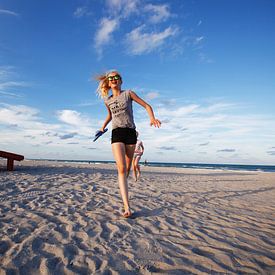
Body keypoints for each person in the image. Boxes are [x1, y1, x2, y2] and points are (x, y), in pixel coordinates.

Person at [95, 70, 161, 218]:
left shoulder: (128, 93)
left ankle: (125, 185)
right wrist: (102, 126)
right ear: (108, 82)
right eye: (110, 78)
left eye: (116, 77)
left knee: (126, 170)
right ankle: (127, 206)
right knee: (121, 168)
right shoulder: (108, 100)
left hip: (131, 133)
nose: (113, 79)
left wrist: (152, 118)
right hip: (117, 133)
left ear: (120, 80)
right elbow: (110, 115)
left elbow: (147, 105)